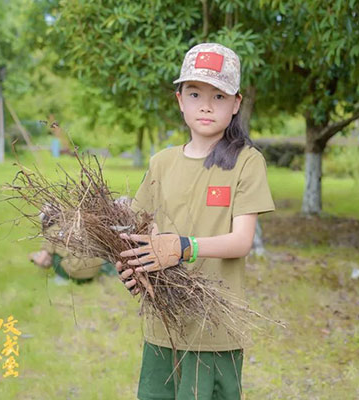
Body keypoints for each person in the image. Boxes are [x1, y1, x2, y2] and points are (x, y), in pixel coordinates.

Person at [116, 43, 275, 400]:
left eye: (219, 96)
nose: (206, 104)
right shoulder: (162, 163)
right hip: (164, 325)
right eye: (195, 93)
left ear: (235, 104)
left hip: (214, 328)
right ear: (180, 100)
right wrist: (130, 264)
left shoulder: (246, 162)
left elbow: (241, 241)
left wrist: (185, 247)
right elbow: (139, 230)